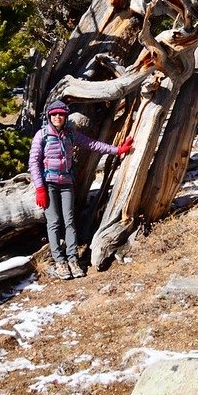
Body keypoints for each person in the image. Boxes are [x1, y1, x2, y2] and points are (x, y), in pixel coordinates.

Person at [29, 99, 133, 280]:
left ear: (65, 116)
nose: (58, 117)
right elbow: (34, 162)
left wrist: (117, 150)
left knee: (69, 221)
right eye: (54, 114)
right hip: (49, 184)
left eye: (61, 114)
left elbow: (93, 144)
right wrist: (40, 188)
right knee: (53, 222)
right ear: (49, 117)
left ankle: (72, 259)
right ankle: (60, 261)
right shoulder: (42, 135)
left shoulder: (71, 134)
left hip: (67, 183)